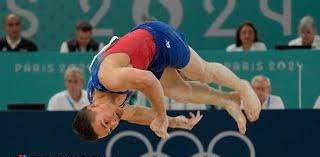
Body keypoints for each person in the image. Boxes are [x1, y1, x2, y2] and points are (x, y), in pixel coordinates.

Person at [72, 21, 261, 142]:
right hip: (147, 62)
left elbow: (149, 81)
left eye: (106, 123)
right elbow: (137, 114)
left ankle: (242, 86)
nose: (113, 123)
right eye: (111, 129)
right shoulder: (112, 108)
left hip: (157, 38)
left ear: (92, 107)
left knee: (203, 73)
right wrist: (174, 122)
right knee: (181, 93)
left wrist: (161, 116)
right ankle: (228, 100)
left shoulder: (108, 78)